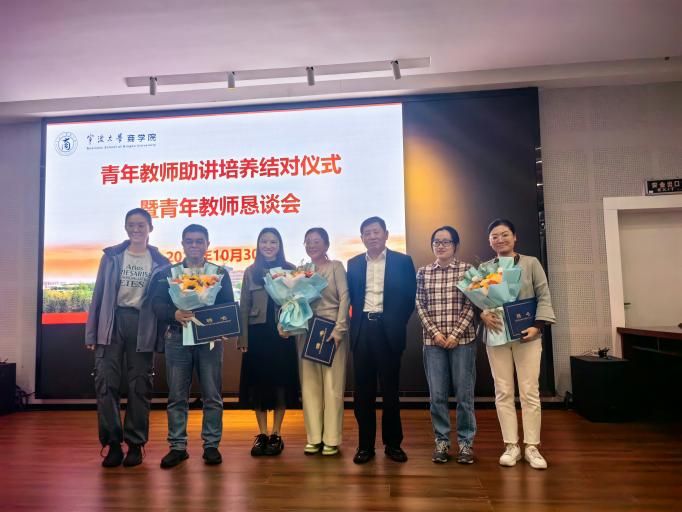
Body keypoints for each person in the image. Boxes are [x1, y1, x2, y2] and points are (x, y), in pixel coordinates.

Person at [85, 207, 170, 467]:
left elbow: (162, 302)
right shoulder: (111, 257)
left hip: (142, 324)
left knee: (139, 385)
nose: (136, 229)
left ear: (150, 228)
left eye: (141, 225)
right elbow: (98, 294)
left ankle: (135, 443)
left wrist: (160, 337)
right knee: (106, 384)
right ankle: (112, 444)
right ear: (125, 228)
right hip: (111, 323)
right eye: (131, 225)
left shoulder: (161, 262)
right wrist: (92, 332)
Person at [152, 224, 235, 468]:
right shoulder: (169, 273)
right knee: (177, 395)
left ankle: (211, 445)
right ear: (183, 244)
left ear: (208, 244)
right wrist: (174, 313)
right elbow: (156, 303)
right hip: (177, 337)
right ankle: (177, 447)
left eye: (200, 241)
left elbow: (228, 304)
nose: (195, 245)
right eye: (190, 241)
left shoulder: (219, 272)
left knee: (212, 394)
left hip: (209, 340)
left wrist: (223, 327)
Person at [479, 218, 556, 470]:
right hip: (497, 336)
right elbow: (481, 301)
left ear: (515, 237)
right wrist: (483, 314)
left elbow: (543, 295)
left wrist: (538, 325)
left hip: (527, 335)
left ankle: (532, 446)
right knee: (503, 391)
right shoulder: (485, 268)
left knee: (529, 390)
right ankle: (511, 445)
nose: (500, 239)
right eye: (494, 236)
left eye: (504, 234)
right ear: (489, 241)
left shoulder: (531, 263)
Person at [346, 216, 416, 464]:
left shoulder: (403, 261)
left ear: (386, 234)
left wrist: (395, 322)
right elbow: (351, 298)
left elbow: (409, 298)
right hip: (362, 331)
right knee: (362, 394)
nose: (372, 236)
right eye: (367, 233)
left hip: (389, 332)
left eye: (376, 231)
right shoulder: (354, 263)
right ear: (362, 238)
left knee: (390, 392)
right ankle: (365, 446)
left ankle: (393, 444)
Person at [416, 226, 477, 464]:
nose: (441, 246)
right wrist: (435, 333)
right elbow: (420, 304)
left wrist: (455, 334)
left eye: (446, 242)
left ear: (455, 246)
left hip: (462, 341)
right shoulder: (423, 272)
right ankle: (441, 442)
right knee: (437, 396)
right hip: (433, 343)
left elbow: (472, 304)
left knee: (464, 395)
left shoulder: (467, 270)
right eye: (436, 242)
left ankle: (465, 444)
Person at [238, 228, 299, 456]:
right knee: (258, 385)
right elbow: (244, 306)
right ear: (258, 244)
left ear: (279, 245)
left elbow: (298, 302)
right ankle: (262, 434)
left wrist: (291, 328)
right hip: (257, 334)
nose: (268, 245)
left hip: (282, 333)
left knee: (281, 383)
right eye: (264, 241)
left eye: (273, 242)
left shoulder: (291, 269)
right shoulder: (250, 271)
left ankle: (276, 434)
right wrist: (243, 337)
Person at [297, 227, 350, 456]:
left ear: (326, 244)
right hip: (307, 331)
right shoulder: (301, 271)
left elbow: (345, 297)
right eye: (308, 241)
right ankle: (314, 437)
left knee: (332, 385)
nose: (311, 245)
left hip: (330, 331)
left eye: (316, 241)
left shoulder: (336, 266)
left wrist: (339, 329)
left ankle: (331, 438)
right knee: (309, 386)